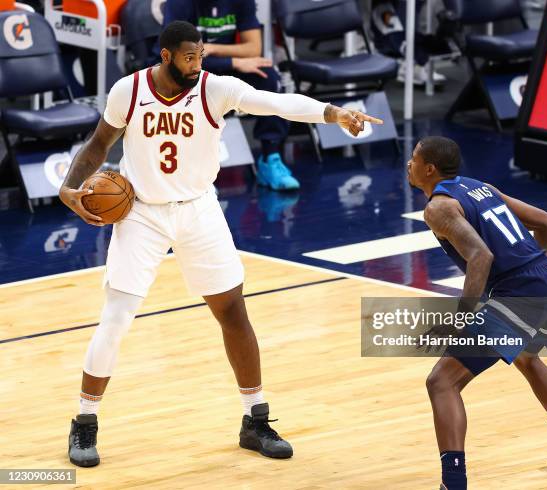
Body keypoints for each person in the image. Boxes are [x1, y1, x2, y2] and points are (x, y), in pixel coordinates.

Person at [59, 20, 382, 468]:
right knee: (116, 318)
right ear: (166, 55)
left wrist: (332, 112)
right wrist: (68, 188)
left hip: (198, 209)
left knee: (233, 311)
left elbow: (277, 103)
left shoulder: (215, 89)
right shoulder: (127, 91)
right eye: (189, 57)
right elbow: (98, 147)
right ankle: (84, 422)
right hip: (142, 214)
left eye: (201, 56)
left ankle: (255, 418)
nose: (197, 64)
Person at [406, 136, 547, 489]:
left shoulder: (438, 208)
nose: (409, 164)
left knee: (442, 381)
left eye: (413, 159)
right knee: (528, 359)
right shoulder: (480, 187)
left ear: (429, 169)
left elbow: (481, 257)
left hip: (520, 293)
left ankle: (454, 483)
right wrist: (529, 270)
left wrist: (461, 319)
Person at [159, 0, 298, 191]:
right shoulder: (180, 4)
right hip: (181, 69)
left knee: (268, 78)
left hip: (221, 64)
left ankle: (270, 158)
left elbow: (253, 48)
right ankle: (192, 173)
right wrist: (232, 62)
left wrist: (214, 49)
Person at [371, 0, 448, 85]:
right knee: (401, 37)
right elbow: (392, 32)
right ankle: (415, 65)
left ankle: (416, 63)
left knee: (431, 41)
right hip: (386, 40)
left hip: (400, 33)